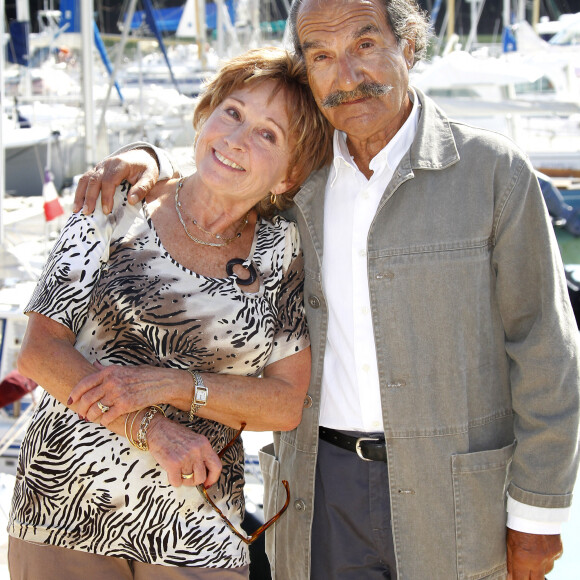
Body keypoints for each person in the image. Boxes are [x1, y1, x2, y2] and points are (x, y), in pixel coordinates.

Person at [73, 0, 580, 578]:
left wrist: (537, 515)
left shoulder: (492, 173)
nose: (347, 75)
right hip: (317, 486)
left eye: (365, 45)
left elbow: (547, 353)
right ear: (306, 71)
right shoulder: (293, 180)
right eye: (321, 56)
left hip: (458, 494)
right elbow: (220, 158)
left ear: (408, 46)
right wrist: (148, 155)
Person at [8, 47, 332, 580]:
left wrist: (171, 385)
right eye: (233, 113)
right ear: (206, 115)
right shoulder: (116, 203)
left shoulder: (282, 250)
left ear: (287, 175)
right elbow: (41, 352)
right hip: (65, 490)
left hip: (194, 515)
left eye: (267, 134)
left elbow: (283, 404)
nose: (235, 139)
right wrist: (151, 428)